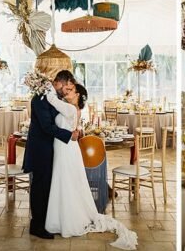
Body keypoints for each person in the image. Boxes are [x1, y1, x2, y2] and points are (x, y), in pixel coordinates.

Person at [44, 83, 138, 249]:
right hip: (62, 148)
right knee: (64, 182)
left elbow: (52, 99)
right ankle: (59, 219)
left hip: (66, 150)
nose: (67, 91)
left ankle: (68, 221)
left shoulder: (72, 109)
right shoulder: (68, 107)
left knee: (67, 183)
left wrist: (44, 84)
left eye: (71, 90)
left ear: (78, 95)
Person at [22, 70, 82, 239]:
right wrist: (69, 135)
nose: (67, 89)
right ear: (59, 83)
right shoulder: (41, 99)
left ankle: (44, 222)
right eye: (66, 86)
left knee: (45, 187)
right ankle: (37, 226)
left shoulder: (53, 98)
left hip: (49, 149)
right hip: (40, 149)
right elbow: (47, 127)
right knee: (39, 188)